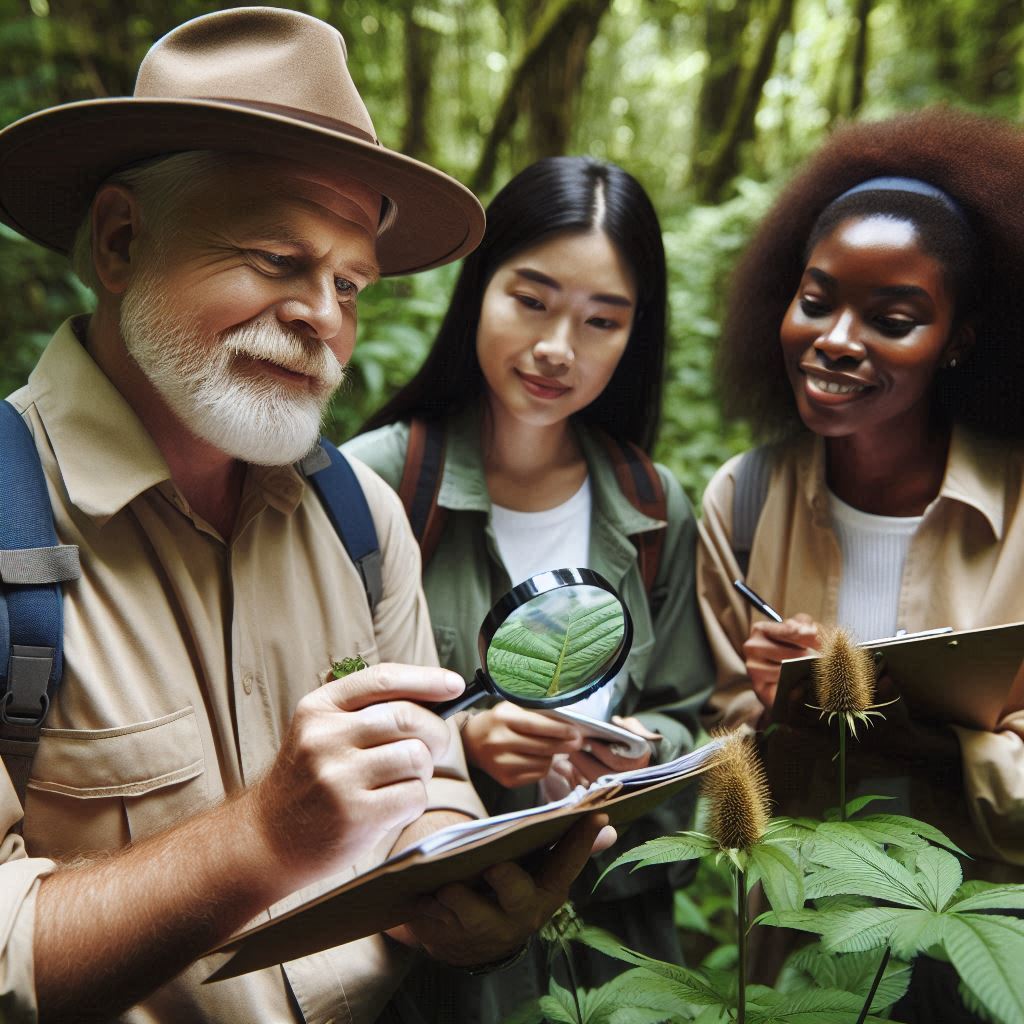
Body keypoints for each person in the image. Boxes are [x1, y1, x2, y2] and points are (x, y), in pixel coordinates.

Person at [0, 9, 613, 1023]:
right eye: (278, 261)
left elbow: (434, 779)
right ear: (120, 241)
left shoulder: (358, 519)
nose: (322, 317)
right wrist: (262, 839)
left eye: (349, 284)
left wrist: (457, 890)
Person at [344, 156, 713, 1023]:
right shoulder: (379, 487)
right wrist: (462, 743)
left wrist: (638, 751)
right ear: (479, 286)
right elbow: (303, 723)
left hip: (622, 965)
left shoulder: (655, 507)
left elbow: (687, 715)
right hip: (435, 975)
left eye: (602, 320)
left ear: (634, 335)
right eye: (532, 299)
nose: (557, 348)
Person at [698, 107, 1024, 875]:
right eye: (816, 302)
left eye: (893, 319)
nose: (837, 340)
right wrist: (773, 709)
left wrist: (870, 721)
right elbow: (717, 762)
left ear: (959, 340)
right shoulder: (743, 500)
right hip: (798, 953)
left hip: (993, 948)